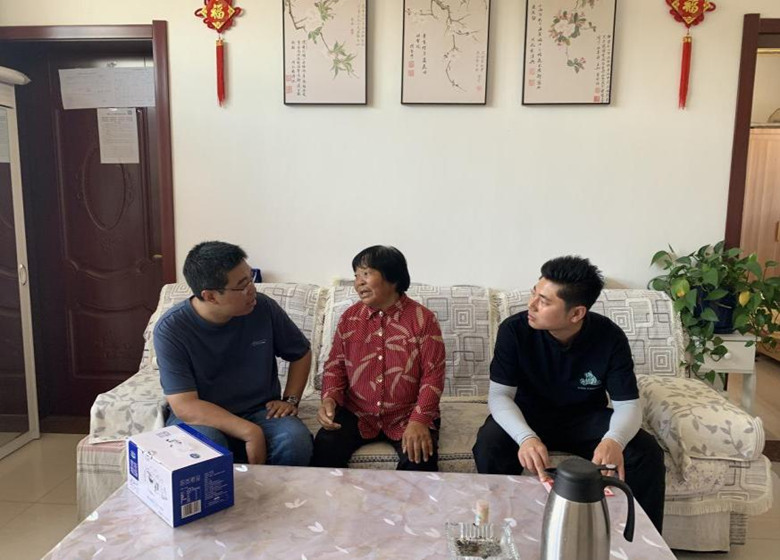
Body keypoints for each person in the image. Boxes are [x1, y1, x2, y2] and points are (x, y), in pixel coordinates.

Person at [472, 256, 665, 531]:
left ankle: (640, 540)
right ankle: (502, 531)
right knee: (490, 442)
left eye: (544, 301)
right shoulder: (514, 331)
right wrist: (525, 437)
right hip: (528, 415)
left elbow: (628, 405)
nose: (531, 305)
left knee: (645, 451)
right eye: (534, 294)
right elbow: (499, 396)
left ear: (576, 314)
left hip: (585, 419)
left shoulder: (609, 337)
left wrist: (614, 440)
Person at [153, 241, 313, 466]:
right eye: (242, 285)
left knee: (295, 441)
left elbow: (301, 353)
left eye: (250, 278)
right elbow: (185, 406)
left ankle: (270, 490)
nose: (252, 289)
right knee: (205, 448)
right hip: (202, 416)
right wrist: (250, 432)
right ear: (210, 296)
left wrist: (291, 400)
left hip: (261, 410)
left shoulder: (263, 308)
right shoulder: (171, 329)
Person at [312, 246, 446, 471]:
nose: (358, 283)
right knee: (326, 446)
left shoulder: (423, 320)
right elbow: (335, 366)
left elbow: (433, 376)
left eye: (366, 274)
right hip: (358, 413)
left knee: (420, 459)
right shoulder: (350, 319)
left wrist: (419, 420)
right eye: (356, 276)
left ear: (392, 277)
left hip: (407, 414)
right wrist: (329, 400)